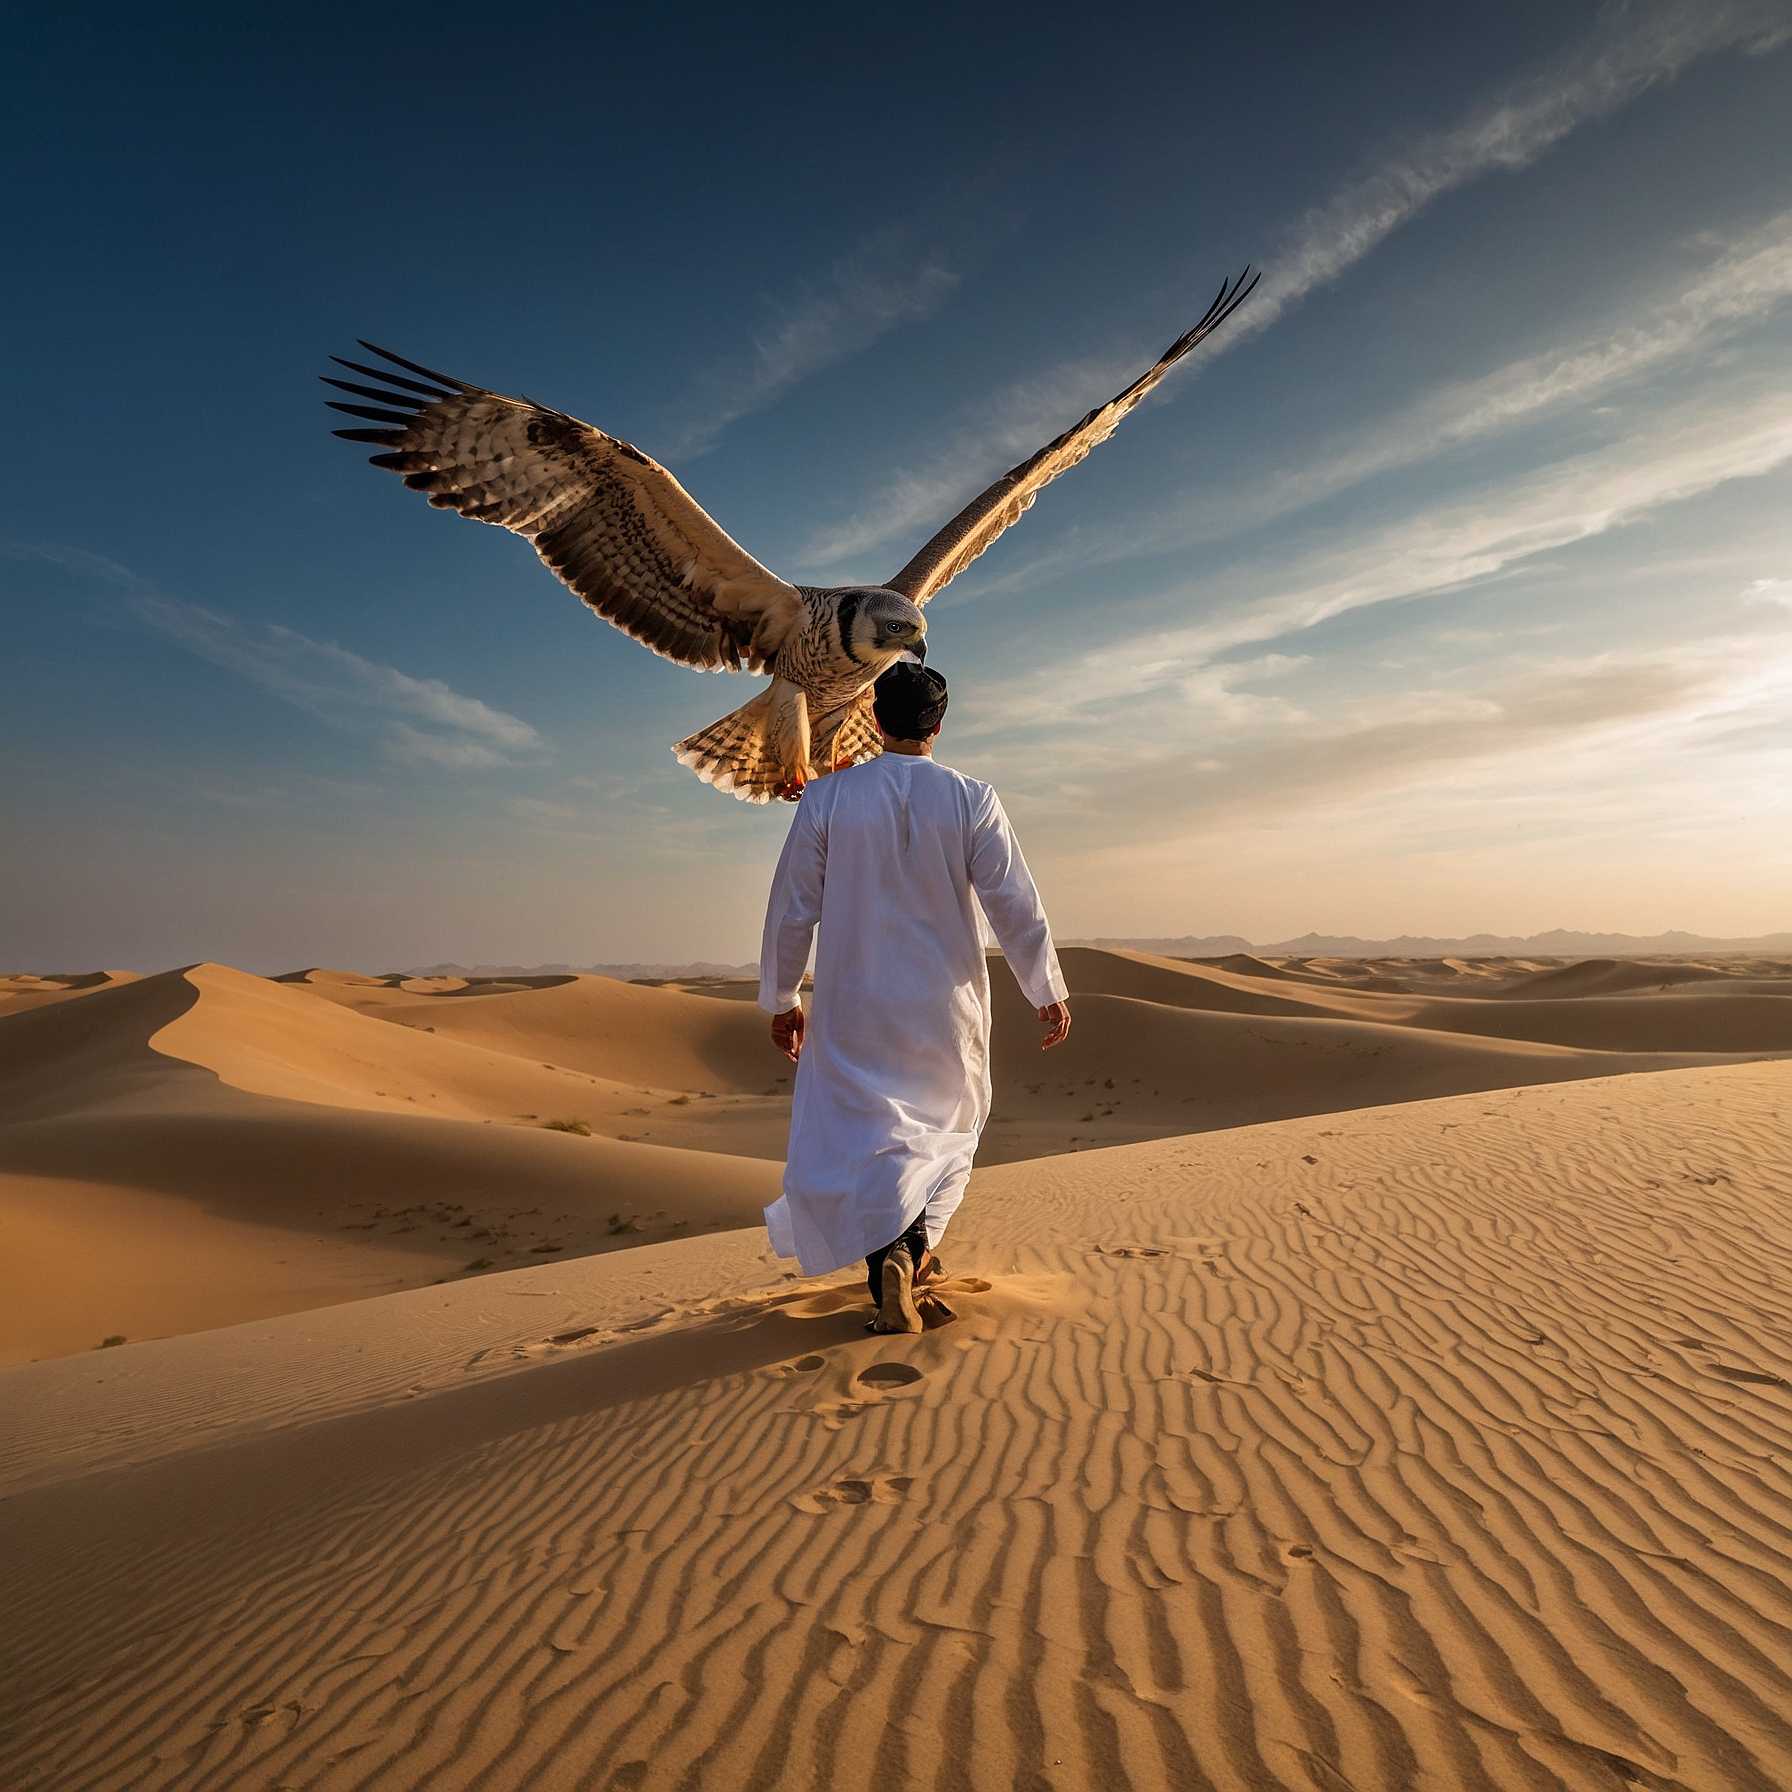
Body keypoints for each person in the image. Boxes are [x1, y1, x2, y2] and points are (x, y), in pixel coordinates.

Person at [758, 662, 1071, 1334]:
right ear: (940, 723)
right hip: (943, 1005)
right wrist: (1044, 988)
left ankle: (892, 1258)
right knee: (945, 1129)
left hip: (853, 1003)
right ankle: (913, 1250)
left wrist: (782, 997)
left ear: (873, 718)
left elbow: (793, 910)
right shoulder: (971, 797)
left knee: (866, 1136)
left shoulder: (826, 798)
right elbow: (1013, 903)